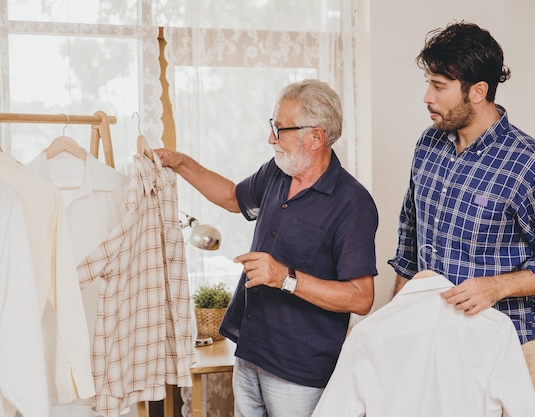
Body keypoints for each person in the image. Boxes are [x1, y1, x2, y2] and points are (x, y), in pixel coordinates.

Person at [156, 79, 378, 416]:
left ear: (316, 137)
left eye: (280, 129)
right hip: (250, 349)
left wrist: (285, 277)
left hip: (298, 371)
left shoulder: (352, 203)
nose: (271, 138)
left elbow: (361, 298)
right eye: (272, 126)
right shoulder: (278, 172)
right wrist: (181, 163)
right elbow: (233, 198)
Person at [388, 21, 535, 417]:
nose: (426, 97)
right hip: (436, 338)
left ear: (478, 91)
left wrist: (496, 287)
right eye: (428, 83)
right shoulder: (428, 144)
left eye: (439, 86)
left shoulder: (531, 163)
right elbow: (410, 229)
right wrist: (395, 316)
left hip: (511, 343)